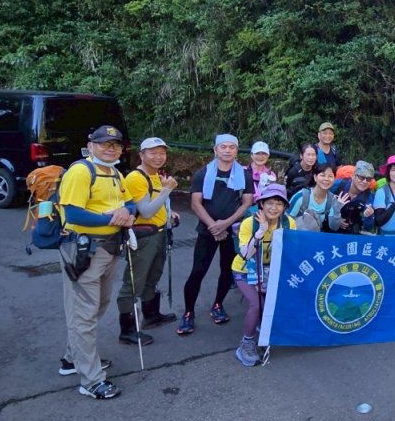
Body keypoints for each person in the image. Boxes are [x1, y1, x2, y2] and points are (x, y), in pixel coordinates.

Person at [57, 125, 136, 400]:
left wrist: (127, 211)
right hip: (84, 251)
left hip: (109, 250)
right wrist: (112, 219)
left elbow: (130, 203)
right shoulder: (81, 171)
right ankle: (90, 380)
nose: (111, 148)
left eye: (115, 144)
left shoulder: (114, 172)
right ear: (90, 145)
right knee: (84, 314)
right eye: (104, 144)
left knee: (98, 306)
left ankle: (73, 359)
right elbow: (73, 213)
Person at [178, 134, 254, 336]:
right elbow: (196, 203)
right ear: (215, 150)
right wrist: (213, 226)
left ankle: (218, 304)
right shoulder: (203, 174)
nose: (227, 150)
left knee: (227, 271)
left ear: (237, 151)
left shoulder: (244, 175)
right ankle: (188, 312)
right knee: (198, 271)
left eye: (232, 147)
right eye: (223, 147)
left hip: (232, 230)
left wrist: (225, 224)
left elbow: (247, 203)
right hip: (207, 229)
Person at [117, 137, 179, 347]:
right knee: (134, 283)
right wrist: (167, 189)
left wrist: (170, 213)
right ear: (141, 155)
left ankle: (151, 316)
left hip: (159, 233)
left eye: (162, 152)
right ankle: (127, 331)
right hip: (144, 237)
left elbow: (156, 204)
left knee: (152, 277)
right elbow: (145, 210)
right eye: (152, 152)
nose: (158, 157)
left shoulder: (155, 175)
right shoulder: (136, 177)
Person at [232, 183, 294, 367]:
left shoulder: (288, 222)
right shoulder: (249, 223)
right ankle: (246, 343)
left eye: (279, 204)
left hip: (270, 270)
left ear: (284, 207)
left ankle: (263, 329)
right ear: (261, 204)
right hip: (245, 270)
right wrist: (260, 232)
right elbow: (245, 255)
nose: (274, 208)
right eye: (269, 203)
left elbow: (291, 249)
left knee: (269, 306)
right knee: (256, 304)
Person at [288, 162, 343, 232]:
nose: (326, 179)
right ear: (315, 177)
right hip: (295, 236)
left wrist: (337, 210)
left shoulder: (332, 199)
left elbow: (334, 227)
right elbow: (286, 221)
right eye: (323, 175)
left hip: (314, 237)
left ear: (334, 179)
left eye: (330, 176)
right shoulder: (301, 197)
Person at [331, 160, 377, 234]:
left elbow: (368, 227)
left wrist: (368, 217)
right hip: (329, 229)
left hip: (351, 232)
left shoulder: (368, 197)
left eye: (368, 179)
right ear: (353, 176)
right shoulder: (338, 185)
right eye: (361, 177)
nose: (364, 181)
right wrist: (335, 218)